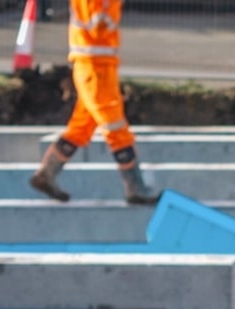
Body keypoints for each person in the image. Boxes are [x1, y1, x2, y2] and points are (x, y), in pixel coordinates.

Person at [30, 0, 161, 205]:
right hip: (95, 67)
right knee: (116, 128)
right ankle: (136, 188)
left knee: (81, 128)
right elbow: (98, 22)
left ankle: (46, 175)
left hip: (97, 66)